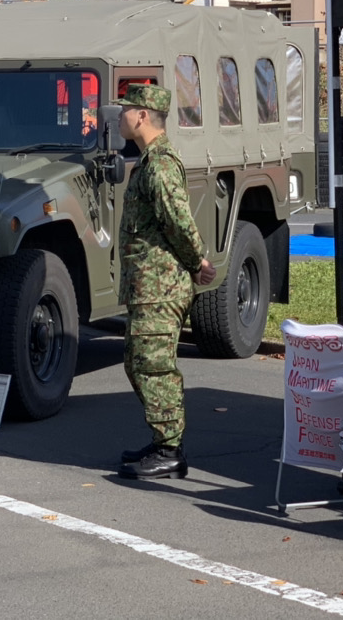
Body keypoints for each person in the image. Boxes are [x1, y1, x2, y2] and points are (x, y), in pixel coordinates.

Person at [114, 84, 216, 481]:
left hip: (161, 287)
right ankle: (162, 441)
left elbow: (178, 220)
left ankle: (170, 451)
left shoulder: (158, 163)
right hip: (148, 286)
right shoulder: (149, 160)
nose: (119, 115)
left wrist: (197, 261)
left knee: (154, 366)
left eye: (125, 109)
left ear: (141, 116)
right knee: (137, 362)